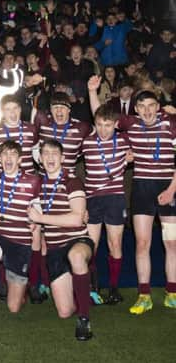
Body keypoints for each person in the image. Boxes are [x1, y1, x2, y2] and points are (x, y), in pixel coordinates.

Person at [89, 75, 176, 314]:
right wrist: (93, 91)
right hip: (141, 190)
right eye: (142, 107)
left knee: (171, 243)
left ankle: (172, 291)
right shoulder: (131, 124)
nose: (147, 111)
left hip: (169, 190)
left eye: (151, 106)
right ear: (136, 109)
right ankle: (144, 295)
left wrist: (171, 190)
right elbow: (102, 118)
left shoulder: (171, 123)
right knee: (142, 243)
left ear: (158, 107)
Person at [27, 139, 93, 341]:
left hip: (77, 240)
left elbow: (76, 218)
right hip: (55, 250)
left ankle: (84, 318)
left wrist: (41, 219)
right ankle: (81, 291)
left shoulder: (72, 182)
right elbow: (31, 214)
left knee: (76, 256)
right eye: (45, 153)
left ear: (63, 158)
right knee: (64, 312)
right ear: (40, 158)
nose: (50, 158)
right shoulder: (36, 185)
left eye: (55, 153)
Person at [0, 140, 41, 327]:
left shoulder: (33, 180)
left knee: (14, 307)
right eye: (4, 154)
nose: (8, 158)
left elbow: (38, 209)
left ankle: (21, 288)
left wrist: (35, 221)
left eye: (13, 155)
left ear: (20, 159)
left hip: (20, 244)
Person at [82, 103, 133, 304]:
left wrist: (131, 157)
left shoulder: (123, 140)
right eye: (100, 124)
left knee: (115, 243)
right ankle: (92, 287)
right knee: (91, 245)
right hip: (92, 198)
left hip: (114, 197)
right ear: (95, 124)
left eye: (108, 125)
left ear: (116, 125)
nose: (104, 129)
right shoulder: (86, 143)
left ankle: (113, 288)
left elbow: (143, 141)